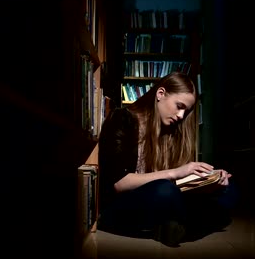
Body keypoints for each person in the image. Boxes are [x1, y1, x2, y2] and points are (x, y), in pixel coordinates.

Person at [97, 72, 239, 247]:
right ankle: (184, 228)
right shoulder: (122, 120)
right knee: (165, 191)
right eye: (179, 106)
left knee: (228, 190)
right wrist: (175, 173)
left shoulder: (172, 131)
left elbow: (181, 187)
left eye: (185, 111)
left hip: (168, 200)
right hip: (125, 203)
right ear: (160, 94)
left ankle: (172, 227)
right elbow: (119, 184)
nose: (181, 115)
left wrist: (209, 182)